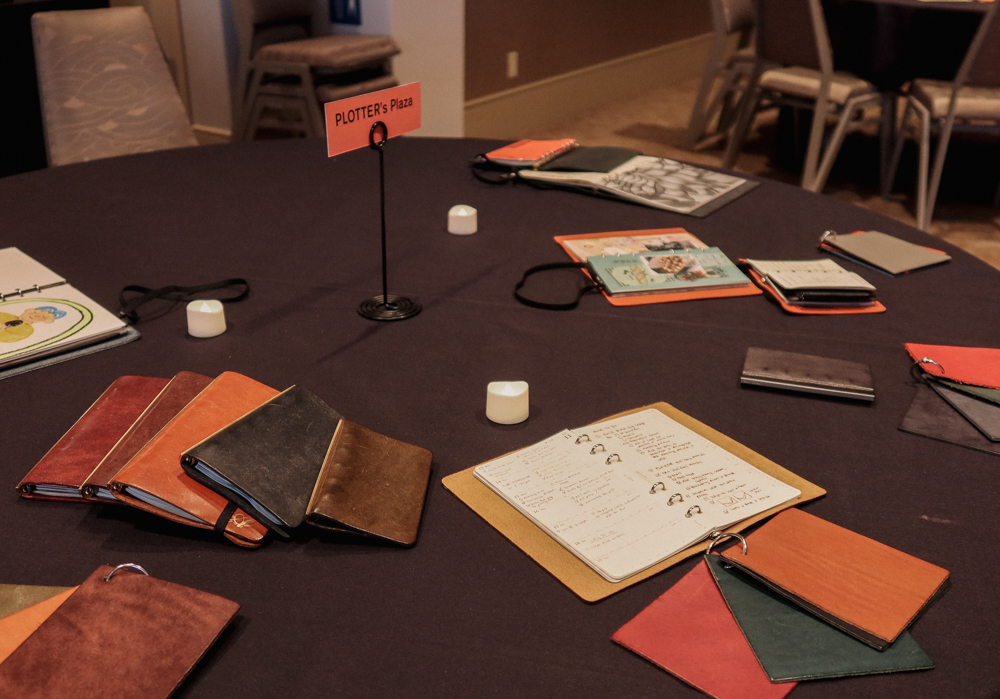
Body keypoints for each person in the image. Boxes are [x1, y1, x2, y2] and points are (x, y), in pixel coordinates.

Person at [0, 306, 67, 343]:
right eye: (34, 313)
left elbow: (8, 338)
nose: (34, 316)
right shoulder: (5, 315)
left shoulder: (26, 330)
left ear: (46, 321)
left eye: (42, 317)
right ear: (29, 310)